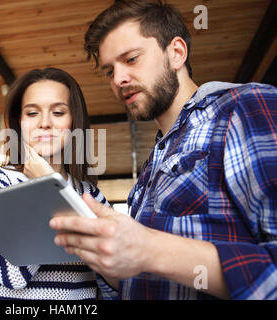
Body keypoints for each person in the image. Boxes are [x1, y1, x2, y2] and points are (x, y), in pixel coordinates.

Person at [50, 0, 277, 300]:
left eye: (131, 59)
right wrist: (101, 254)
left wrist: (149, 249)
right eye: (109, 71)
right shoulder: (152, 166)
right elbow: (139, 282)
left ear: (176, 53)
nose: (118, 79)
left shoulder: (243, 107)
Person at [0, 68, 110, 299]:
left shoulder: (92, 195)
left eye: (58, 112)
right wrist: (46, 185)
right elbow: (11, 273)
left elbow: (114, 275)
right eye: (32, 113)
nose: (45, 123)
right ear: (19, 123)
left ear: (74, 122)